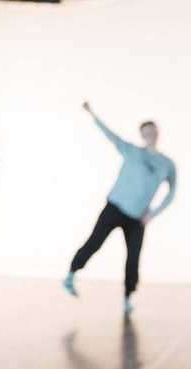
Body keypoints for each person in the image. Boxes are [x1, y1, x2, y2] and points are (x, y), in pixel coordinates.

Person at [63, 102, 177, 314]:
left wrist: (152, 214)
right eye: (146, 133)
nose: (150, 136)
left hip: (137, 218)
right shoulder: (131, 150)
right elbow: (110, 135)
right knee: (94, 242)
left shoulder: (167, 164)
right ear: (142, 135)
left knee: (133, 257)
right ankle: (70, 274)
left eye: (153, 132)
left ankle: (127, 297)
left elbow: (172, 193)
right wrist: (92, 114)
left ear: (157, 133)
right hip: (115, 208)